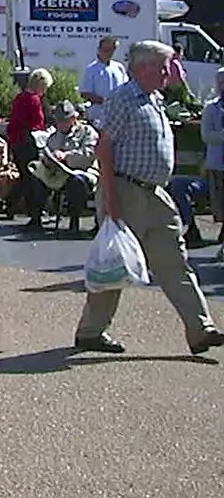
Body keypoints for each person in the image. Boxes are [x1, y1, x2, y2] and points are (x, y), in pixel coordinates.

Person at [74, 40, 224, 356]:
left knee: (175, 263)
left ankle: (201, 330)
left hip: (156, 194)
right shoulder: (123, 98)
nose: (168, 73)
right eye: (163, 66)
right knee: (115, 264)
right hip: (126, 190)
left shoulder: (154, 99)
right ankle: (90, 332)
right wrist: (111, 201)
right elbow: (104, 149)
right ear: (143, 68)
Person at [32, 100, 99, 238]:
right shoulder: (53, 137)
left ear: (74, 118)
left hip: (83, 170)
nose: (60, 124)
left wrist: (66, 156)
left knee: (76, 182)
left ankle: (74, 223)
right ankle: (35, 218)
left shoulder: (87, 132)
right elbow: (48, 151)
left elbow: (89, 154)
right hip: (58, 173)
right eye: (58, 121)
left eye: (64, 120)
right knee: (36, 176)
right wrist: (48, 160)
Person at [6, 68, 52, 231]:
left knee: (25, 177)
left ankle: (8, 205)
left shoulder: (20, 97)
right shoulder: (34, 100)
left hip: (16, 141)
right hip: (28, 143)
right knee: (32, 179)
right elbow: (37, 123)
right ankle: (33, 213)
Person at [78, 37, 129, 131]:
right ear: (99, 49)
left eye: (111, 50)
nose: (108, 53)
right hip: (97, 117)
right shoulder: (91, 69)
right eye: (105, 50)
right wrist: (105, 101)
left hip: (118, 117)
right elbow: (85, 93)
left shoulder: (119, 67)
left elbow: (126, 88)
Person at [202, 67, 224, 246]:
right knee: (219, 202)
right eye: (221, 82)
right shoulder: (211, 108)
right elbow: (206, 135)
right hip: (218, 164)